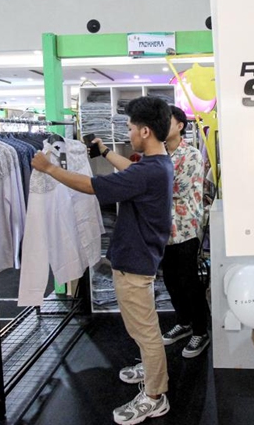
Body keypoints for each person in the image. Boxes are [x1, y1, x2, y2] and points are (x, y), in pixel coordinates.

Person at [31, 96, 173, 425]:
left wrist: (50, 168)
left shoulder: (148, 172)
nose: (128, 132)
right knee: (140, 329)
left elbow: (91, 186)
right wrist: (106, 152)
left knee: (146, 331)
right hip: (137, 258)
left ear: (146, 131)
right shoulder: (157, 164)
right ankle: (151, 370)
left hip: (136, 263)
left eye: (131, 128)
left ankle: (155, 396)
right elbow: (132, 170)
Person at [159, 106, 209, 358]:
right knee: (170, 279)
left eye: (166, 120)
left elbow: (175, 187)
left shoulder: (191, 155)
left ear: (180, 125)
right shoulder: (157, 154)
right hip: (161, 230)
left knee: (188, 281)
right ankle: (184, 322)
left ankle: (201, 330)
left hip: (185, 227)